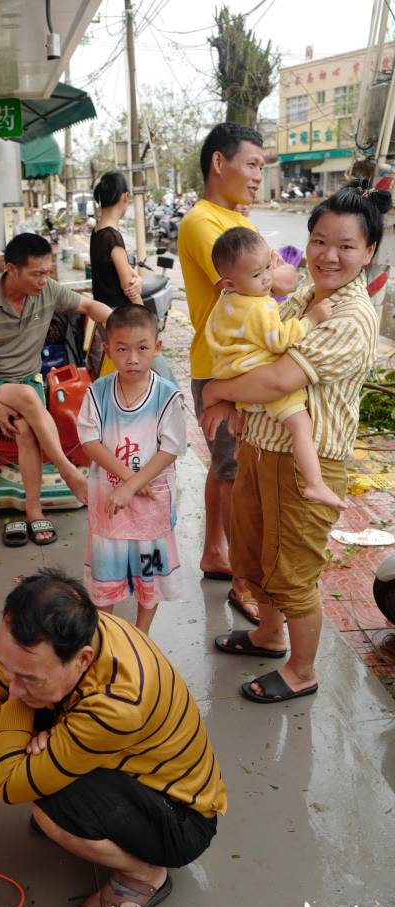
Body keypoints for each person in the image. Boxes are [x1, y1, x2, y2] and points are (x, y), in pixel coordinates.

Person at [199, 180, 390, 704]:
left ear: (369, 251)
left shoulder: (351, 318)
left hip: (308, 463)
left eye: (347, 246)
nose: (329, 255)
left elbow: (279, 379)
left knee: (295, 572)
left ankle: (303, 671)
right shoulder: (305, 293)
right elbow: (254, 350)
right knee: (257, 553)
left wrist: (215, 390)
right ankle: (268, 635)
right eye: (320, 241)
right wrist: (229, 400)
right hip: (263, 446)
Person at [0, 569, 226, 907]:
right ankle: (72, 782)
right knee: (37, 754)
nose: (12, 685)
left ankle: (145, 875)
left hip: (181, 817)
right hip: (130, 768)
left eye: (29, 679)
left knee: (47, 806)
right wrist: (32, 727)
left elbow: (8, 786)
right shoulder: (63, 632)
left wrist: (18, 717)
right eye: (5, 667)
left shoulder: (118, 703)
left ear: (82, 659)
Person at [177, 122, 298, 625]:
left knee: (228, 470)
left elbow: (279, 276)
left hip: (231, 365)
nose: (256, 176)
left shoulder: (229, 217)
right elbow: (278, 280)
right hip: (226, 370)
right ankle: (243, 582)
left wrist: (275, 272)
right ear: (218, 163)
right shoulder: (205, 222)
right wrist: (275, 272)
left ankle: (216, 554)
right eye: (251, 164)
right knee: (238, 476)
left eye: (262, 168)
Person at [0, 233, 112, 547]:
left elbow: (89, 306)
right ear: (11, 270)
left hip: (29, 382)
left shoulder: (47, 292)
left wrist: (131, 326)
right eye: (37, 273)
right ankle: (67, 470)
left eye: (48, 271)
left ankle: (33, 507)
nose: (45, 280)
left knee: (27, 429)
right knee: (29, 398)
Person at [206, 227, 343, 510]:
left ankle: (241, 454)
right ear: (229, 283)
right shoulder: (258, 307)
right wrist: (312, 320)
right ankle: (316, 483)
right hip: (261, 376)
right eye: (257, 275)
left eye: (268, 266)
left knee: (242, 431)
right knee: (301, 425)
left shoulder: (226, 301)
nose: (268, 278)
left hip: (236, 376)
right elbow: (280, 341)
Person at [76, 305, 186, 635]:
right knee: (105, 576)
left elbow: (171, 448)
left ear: (157, 347)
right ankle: (107, 635)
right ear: (107, 349)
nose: (133, 359)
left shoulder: (167, 396)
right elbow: (89, 440)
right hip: (109, 505)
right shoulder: (97, 393)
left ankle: (141, 635)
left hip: (150, 509)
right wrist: (128, 481)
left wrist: (133, 486)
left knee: (147, 577)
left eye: (142, 348)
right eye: (122, 349)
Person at [88, 170, 141, 377]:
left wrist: (138, 278)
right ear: (125, 197)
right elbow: (129, 287)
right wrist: (146, 317)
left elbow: (128, 272)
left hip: (104, 316)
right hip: (123, 317)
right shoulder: (112, 237)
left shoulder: (97, 232)